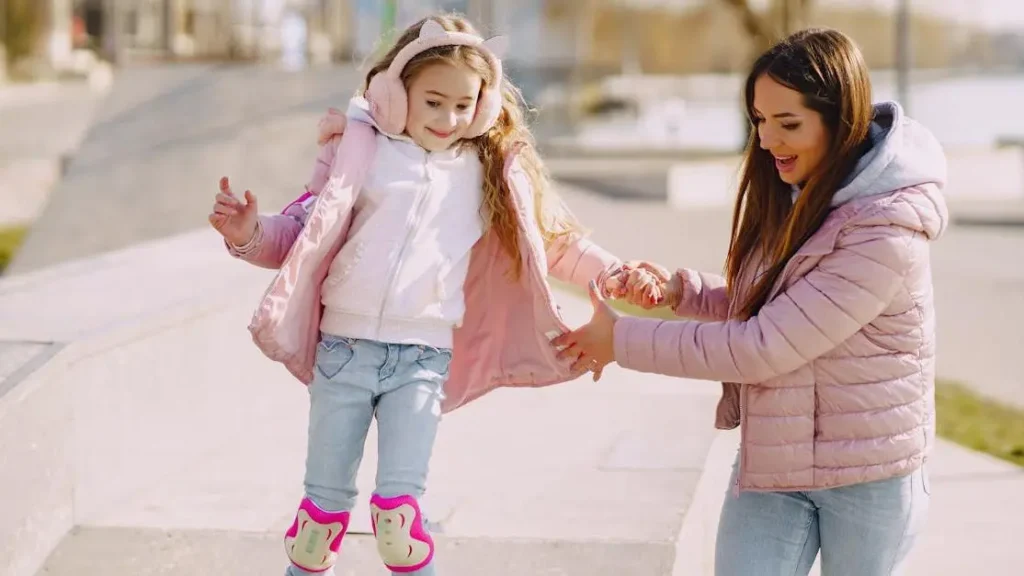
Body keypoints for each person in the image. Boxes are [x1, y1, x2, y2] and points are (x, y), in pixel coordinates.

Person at [207, 13, 638, 576]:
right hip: (344, 353)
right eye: (433, 101)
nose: (448, 118)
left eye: (463, 105)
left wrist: (616, 274)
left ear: (483, 106)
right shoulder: (362, 155)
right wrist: (247, 233)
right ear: (394, 92)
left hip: (422, 360)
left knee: (400, 523)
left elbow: (552, 245)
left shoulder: (488, 172)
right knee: (320, 521)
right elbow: (301, 233)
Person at [555, 28, 946, 576]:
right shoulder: (794, 193)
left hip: (870, 477)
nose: (767, 142)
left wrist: (619, 340)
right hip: (776, 466)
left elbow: (763, 346)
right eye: (760, 121)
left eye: (788, 124)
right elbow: (778, 305)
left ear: (843, 119)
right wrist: (680, 291)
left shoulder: (887, 230)